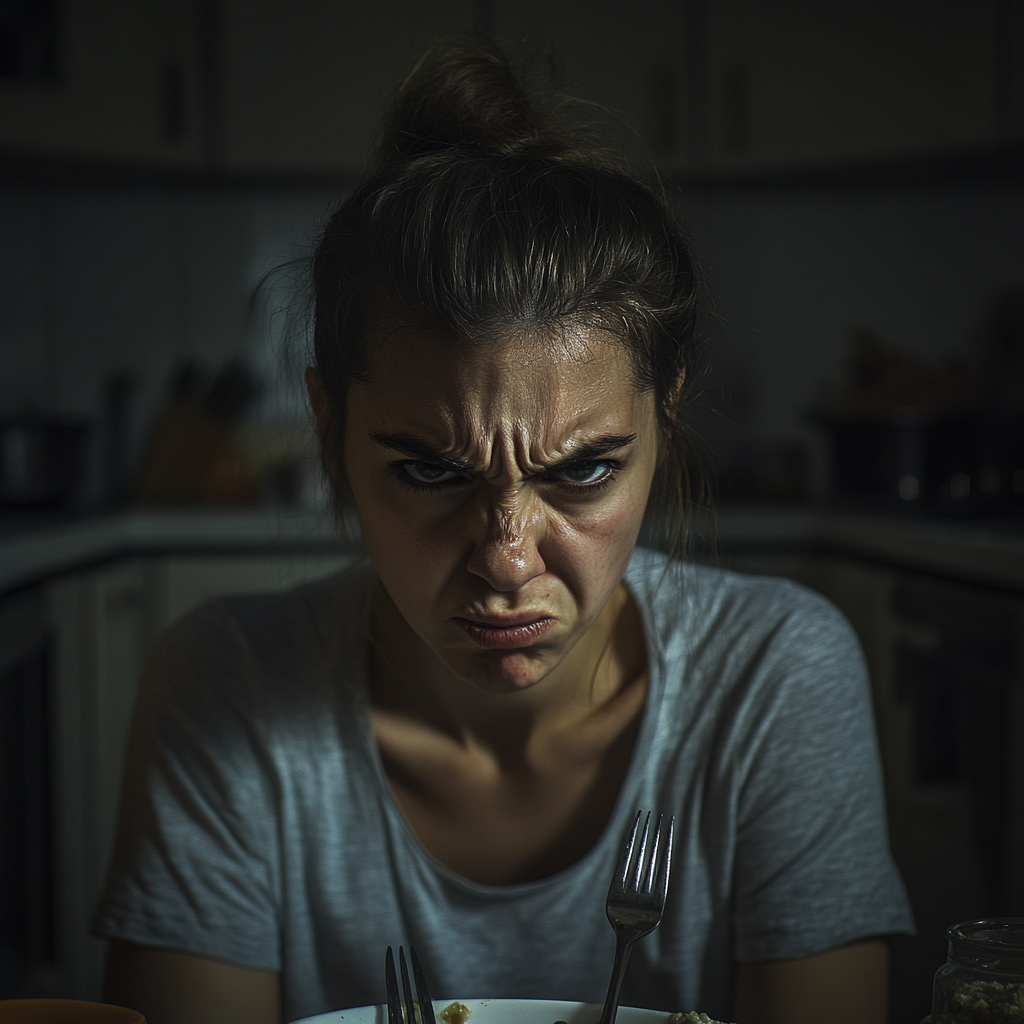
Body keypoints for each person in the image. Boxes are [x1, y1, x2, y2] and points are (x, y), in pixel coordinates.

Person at [97, 36, 912, 1024]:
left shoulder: (775, 677)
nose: (506, 557)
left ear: (666, 418)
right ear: (329, 426)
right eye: (430, 470)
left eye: (583, 470)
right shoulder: (223, 686)